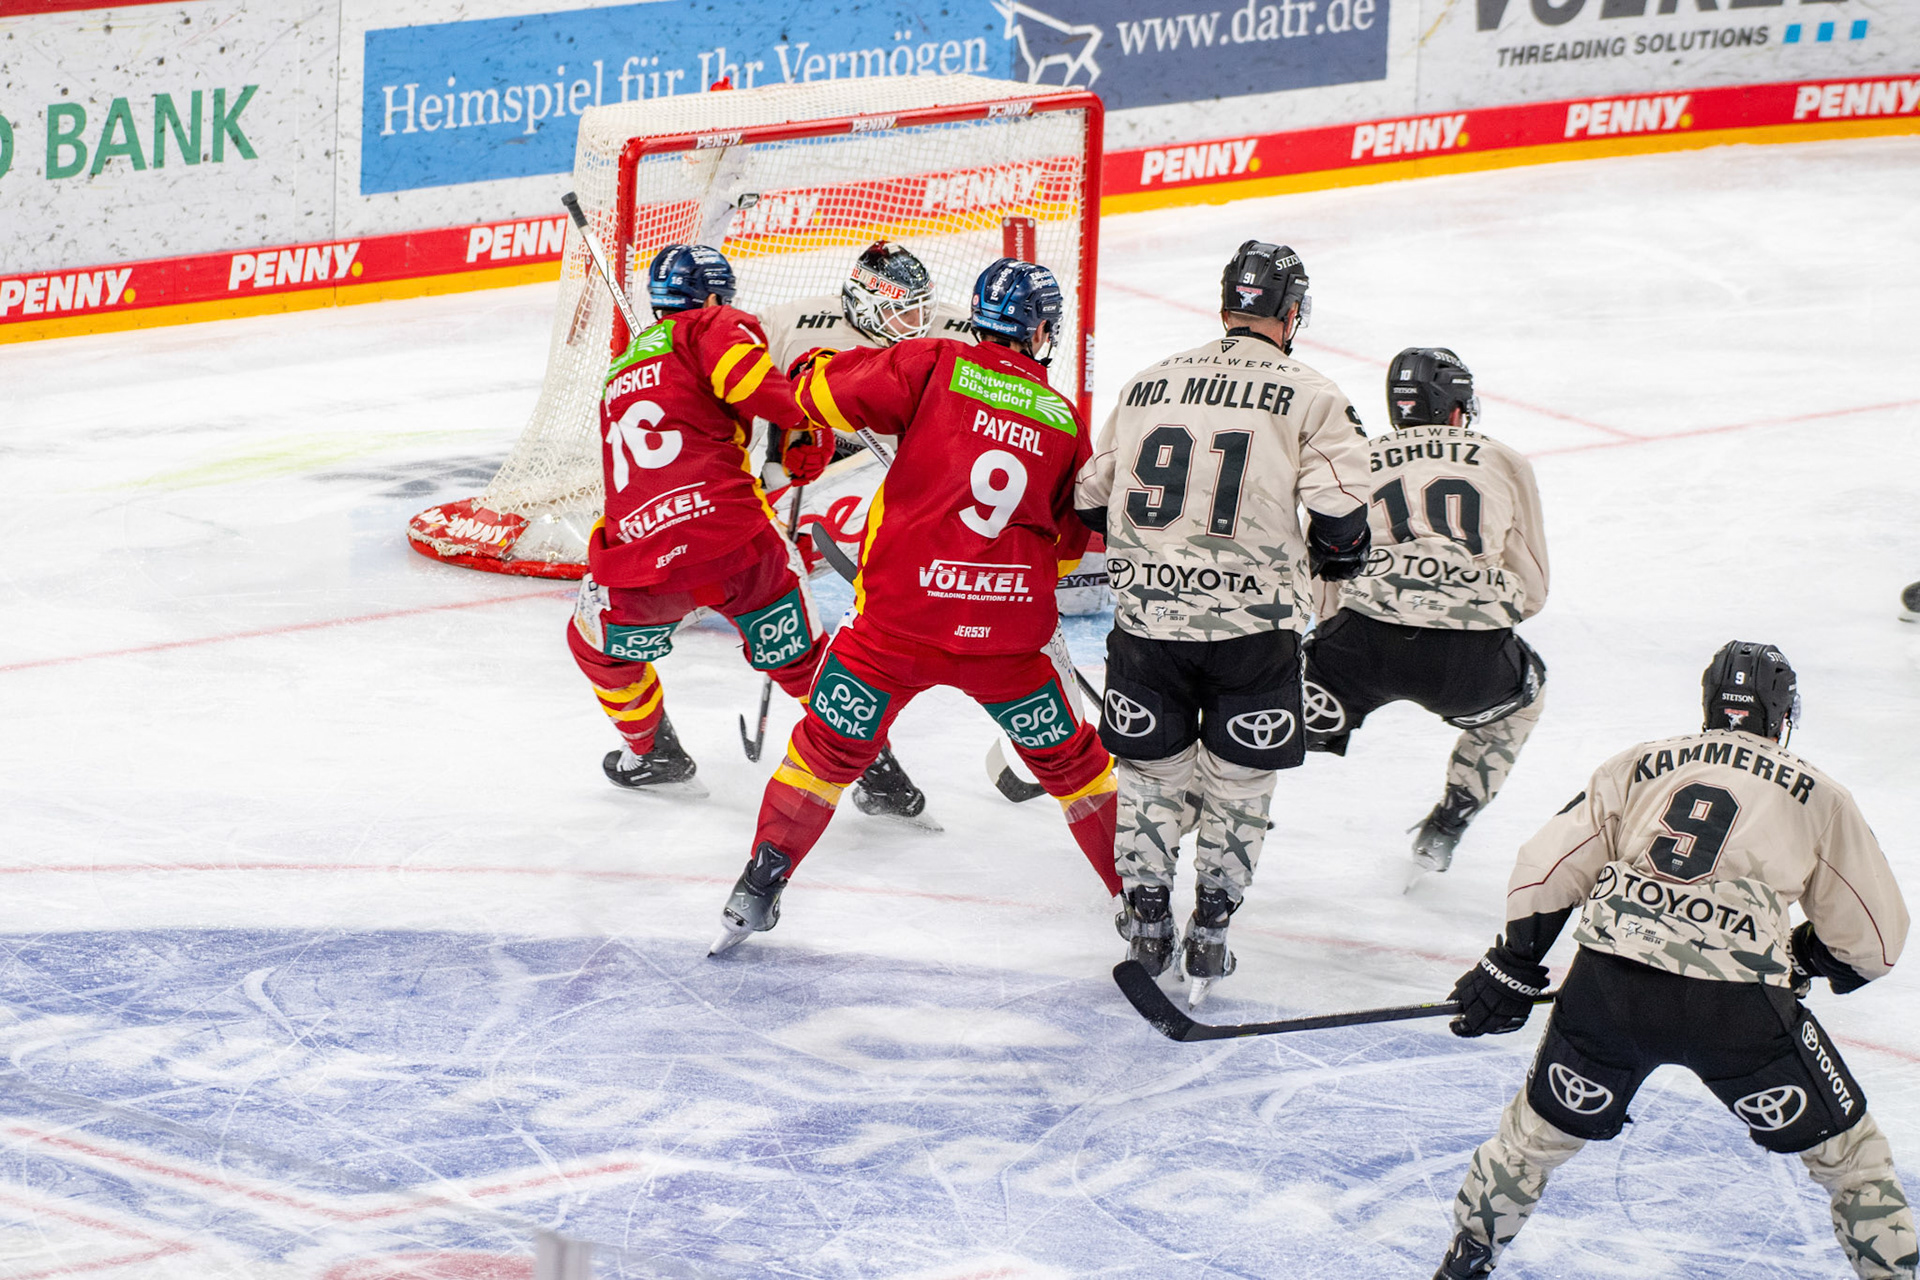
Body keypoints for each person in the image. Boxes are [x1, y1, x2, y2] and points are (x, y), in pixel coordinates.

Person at [1435, 641, 1913, 1280]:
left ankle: (1465, 1262)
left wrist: (1512, 965)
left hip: (1609, 991)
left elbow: (1546, 871)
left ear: (1711, 702)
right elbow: (1874, 943)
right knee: (1853, 1163)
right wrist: (1799, 956)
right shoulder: (1818, 795)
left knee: (1530, 1143)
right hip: (1737, 1009)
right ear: (1781, 712)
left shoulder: (1639, 764)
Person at [709, 258, 1122, 954]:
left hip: (895, 628)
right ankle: (1137, 903)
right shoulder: (1063, 419)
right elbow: (1070, 553)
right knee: (1077, 766)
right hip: (1008, 644)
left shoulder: (931, 362)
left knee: (825, 751)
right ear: (1041, 330)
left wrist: (811, 362)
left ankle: (758, 885)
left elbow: (816, 394)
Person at [1074, 240, 1372, 1004]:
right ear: (1292, 312)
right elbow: (1341, 517)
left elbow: (1086, 499)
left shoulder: (1149, 383)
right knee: (1240, 782)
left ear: (1226, 304)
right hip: (1253, 634)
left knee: (1149, 776)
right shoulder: (1311, 392)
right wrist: (1332, 564)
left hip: (1147, 625)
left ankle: (1145, 919)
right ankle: (1210, 933)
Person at [564, 243, 893, 804]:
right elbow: (750, 387)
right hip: (735, 543)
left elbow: (667, 456)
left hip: (640, 560)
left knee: (597, 647)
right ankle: (881, 774)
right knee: (803, 662)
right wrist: (805, 419)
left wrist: (778, 445)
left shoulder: (620, 369)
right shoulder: (714, 323)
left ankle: (654, 752)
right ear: (715, 296)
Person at [1303, 348, 1550, 873]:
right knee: (1526, 697)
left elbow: (1322, 577)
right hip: (1470, 660)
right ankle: (1449, 822)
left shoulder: (1358, 457)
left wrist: (1334, 640)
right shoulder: (1504, 460)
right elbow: (1532, 591)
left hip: (1359, 648)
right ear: (1459, 407)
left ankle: (1201, 806)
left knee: (1258, 705)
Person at [757, 241, 973, 483]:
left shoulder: (959, 328)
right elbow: (736, 361)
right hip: (833, 456)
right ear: (863, 305)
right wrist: (793, 420)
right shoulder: (791, 324)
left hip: (915, 464)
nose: (919, 322)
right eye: (904, 312)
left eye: (924, 309)